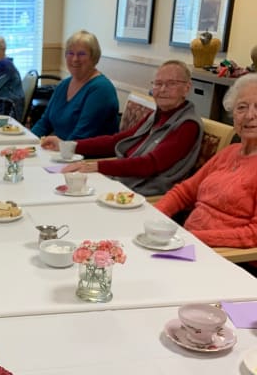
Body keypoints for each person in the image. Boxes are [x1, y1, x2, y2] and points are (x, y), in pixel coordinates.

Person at [42, 60, 203, 196]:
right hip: (124, 179)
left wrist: (97, 166)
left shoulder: (187, 125)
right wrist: (68, 145)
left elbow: (149, 165)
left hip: (143, 192)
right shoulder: (157, 115)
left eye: (171, 84)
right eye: (158, 83)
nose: (162, 90)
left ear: (187, 88)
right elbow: (117, 141)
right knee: (54, 184)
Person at [155, 74, 257, 248]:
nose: (249, 115)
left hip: (228, 258)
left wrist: (192, 238)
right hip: (187, 244)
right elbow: (184, 192)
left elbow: (253, 235)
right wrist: (153, 215)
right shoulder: (229, 152)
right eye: (241, 107)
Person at [31, 30, 119, 140]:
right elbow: (44, 122)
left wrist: (58, 149)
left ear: (94, 57)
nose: (75, 59)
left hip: (88, 155)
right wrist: (28, 141)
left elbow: (81, 138)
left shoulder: (101, 90)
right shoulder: (63, 85)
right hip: (64, 151)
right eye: (70, 53)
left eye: (82, 54)